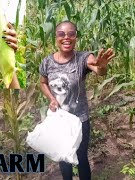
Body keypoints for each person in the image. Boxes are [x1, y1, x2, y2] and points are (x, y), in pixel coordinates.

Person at [39, 20, 115, 180]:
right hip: (59, 120)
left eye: (71, 34)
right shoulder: (47, 62)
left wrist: (102, 66)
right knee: (63, 158)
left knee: (81, 158)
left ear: (76, 37)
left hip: (79, 120)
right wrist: (51, 99)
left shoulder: (83, 58)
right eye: (61, 34)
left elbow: (99, 70)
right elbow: (43, 82)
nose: (66, 37)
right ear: (56, 37)